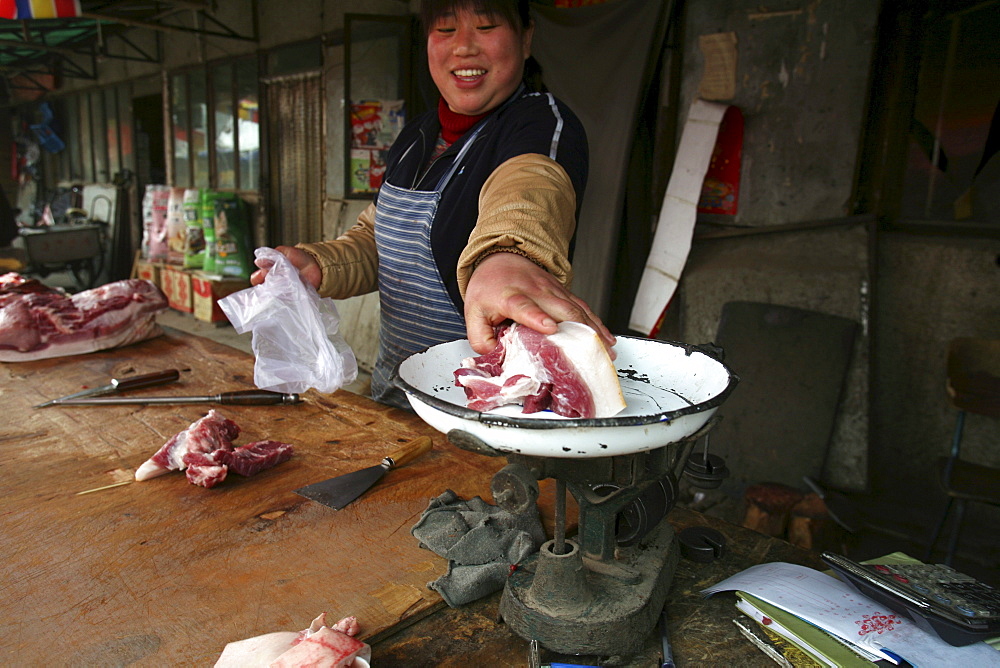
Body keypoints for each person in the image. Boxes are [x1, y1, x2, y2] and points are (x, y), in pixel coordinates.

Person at [251, 0, 614, 409]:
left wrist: (508, 256)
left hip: (486, 404)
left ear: (525, 37)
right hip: (396, 393)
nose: (463, 47)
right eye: (445, 30)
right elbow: (379, 235)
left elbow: (529, 191)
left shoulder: (539, 124)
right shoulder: (416, 136)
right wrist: (322, 264)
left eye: (486, 26)